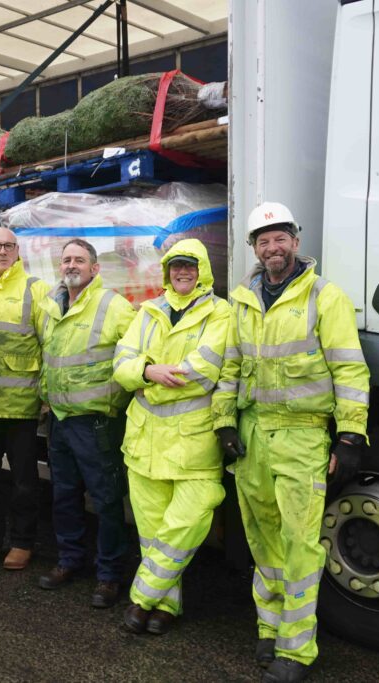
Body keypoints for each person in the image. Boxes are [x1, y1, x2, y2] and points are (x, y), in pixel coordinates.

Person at [214, 202, 370, 683]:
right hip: (253, 434)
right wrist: (223, 423)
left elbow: (349, 369)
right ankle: (270, 627)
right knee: (262, 540)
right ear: (255, 250)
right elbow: (231, 366)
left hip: (302, 436)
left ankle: (296, 650)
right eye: (263, 241)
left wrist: (349, 435)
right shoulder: (243, 298)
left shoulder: (324, 297)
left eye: (280, 238)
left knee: (300, 544)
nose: (272, 247)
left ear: (296, 242)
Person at [113, 239, 230, 636]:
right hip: (144, 442)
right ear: (167, 272)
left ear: (203, 272)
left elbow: (203, 372)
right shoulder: (148, 311)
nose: (183, 273)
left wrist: (150, 380)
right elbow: (121, 363)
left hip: (192, 445)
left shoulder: (220, 313)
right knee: (152, 532)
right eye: (176, 267)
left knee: (185, 523)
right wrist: (147, 373)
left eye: (190, 267)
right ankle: (166, 607)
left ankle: (142, 595)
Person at [35, 238, 136, 608]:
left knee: (107, 499)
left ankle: (109, 574)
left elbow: (136, 354)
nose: (71, 265)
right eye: (66, 260)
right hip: (59, 420)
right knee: (64, 495)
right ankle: (69, 560)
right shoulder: (51, 305)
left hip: (96, 423)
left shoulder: (114, 306)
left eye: (79, 259)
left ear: (95, 269)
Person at [0, 227, 50, 571]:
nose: (3, 251)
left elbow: (51, 346)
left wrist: (45, 395)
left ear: (18, 251)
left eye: (9, 245)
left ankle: (21, 542)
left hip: (21, 407)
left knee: (23, 482)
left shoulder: (35, 289)